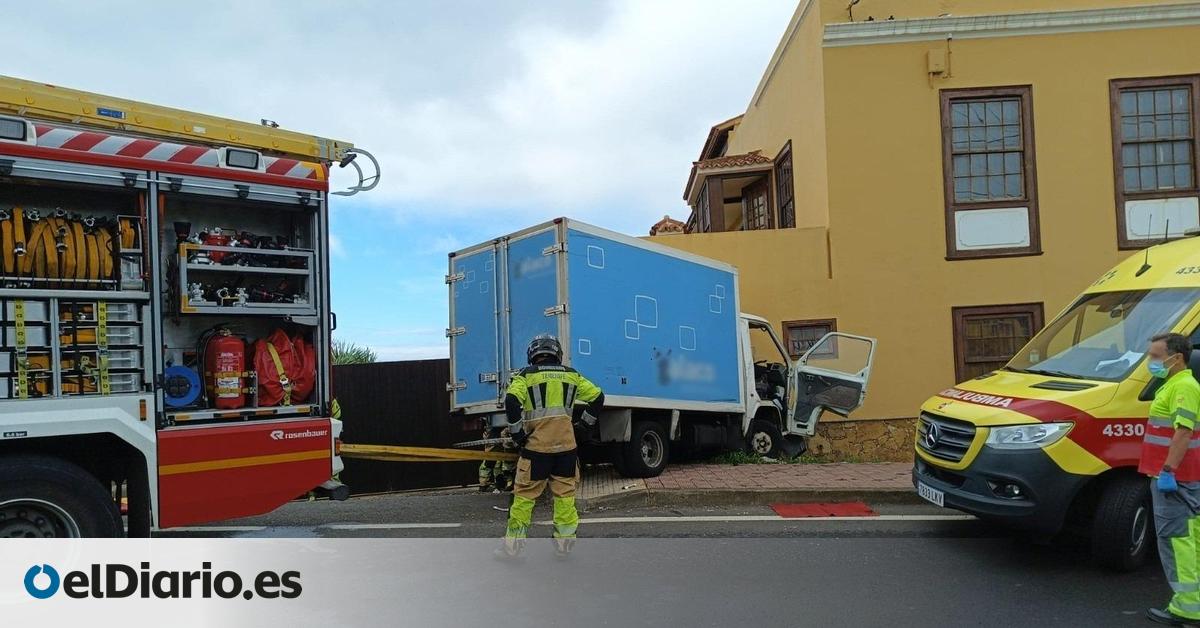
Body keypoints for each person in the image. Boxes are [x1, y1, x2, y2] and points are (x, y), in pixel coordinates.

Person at [496, 334, 603, 560]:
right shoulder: (572, 376)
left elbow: (512, 401)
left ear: (533, 354)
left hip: (536, 450)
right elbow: (598, 397)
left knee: (524, 498)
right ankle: (564, 547)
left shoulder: (526, 376)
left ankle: (512, 549)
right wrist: (584, 427)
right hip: (566, 449)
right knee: (565, 498)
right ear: (557, 354)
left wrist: (517, 435)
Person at [1141, 333, 1200, 626]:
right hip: (1179, 477)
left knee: (1177, 541)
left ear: (1176, 358)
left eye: (1155, 355)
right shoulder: (1176, 384)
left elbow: (1184, 431)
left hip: (1175, 479)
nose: (1150, 361)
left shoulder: (1183, 387)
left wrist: (1168, 471)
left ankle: (1187, 609)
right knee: (1187, 540)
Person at [478, 419, 516, 493]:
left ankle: (485, 484)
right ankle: (507, 483)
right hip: (507, 425)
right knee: (506, 456)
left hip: (494, 427)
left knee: (491, 459)